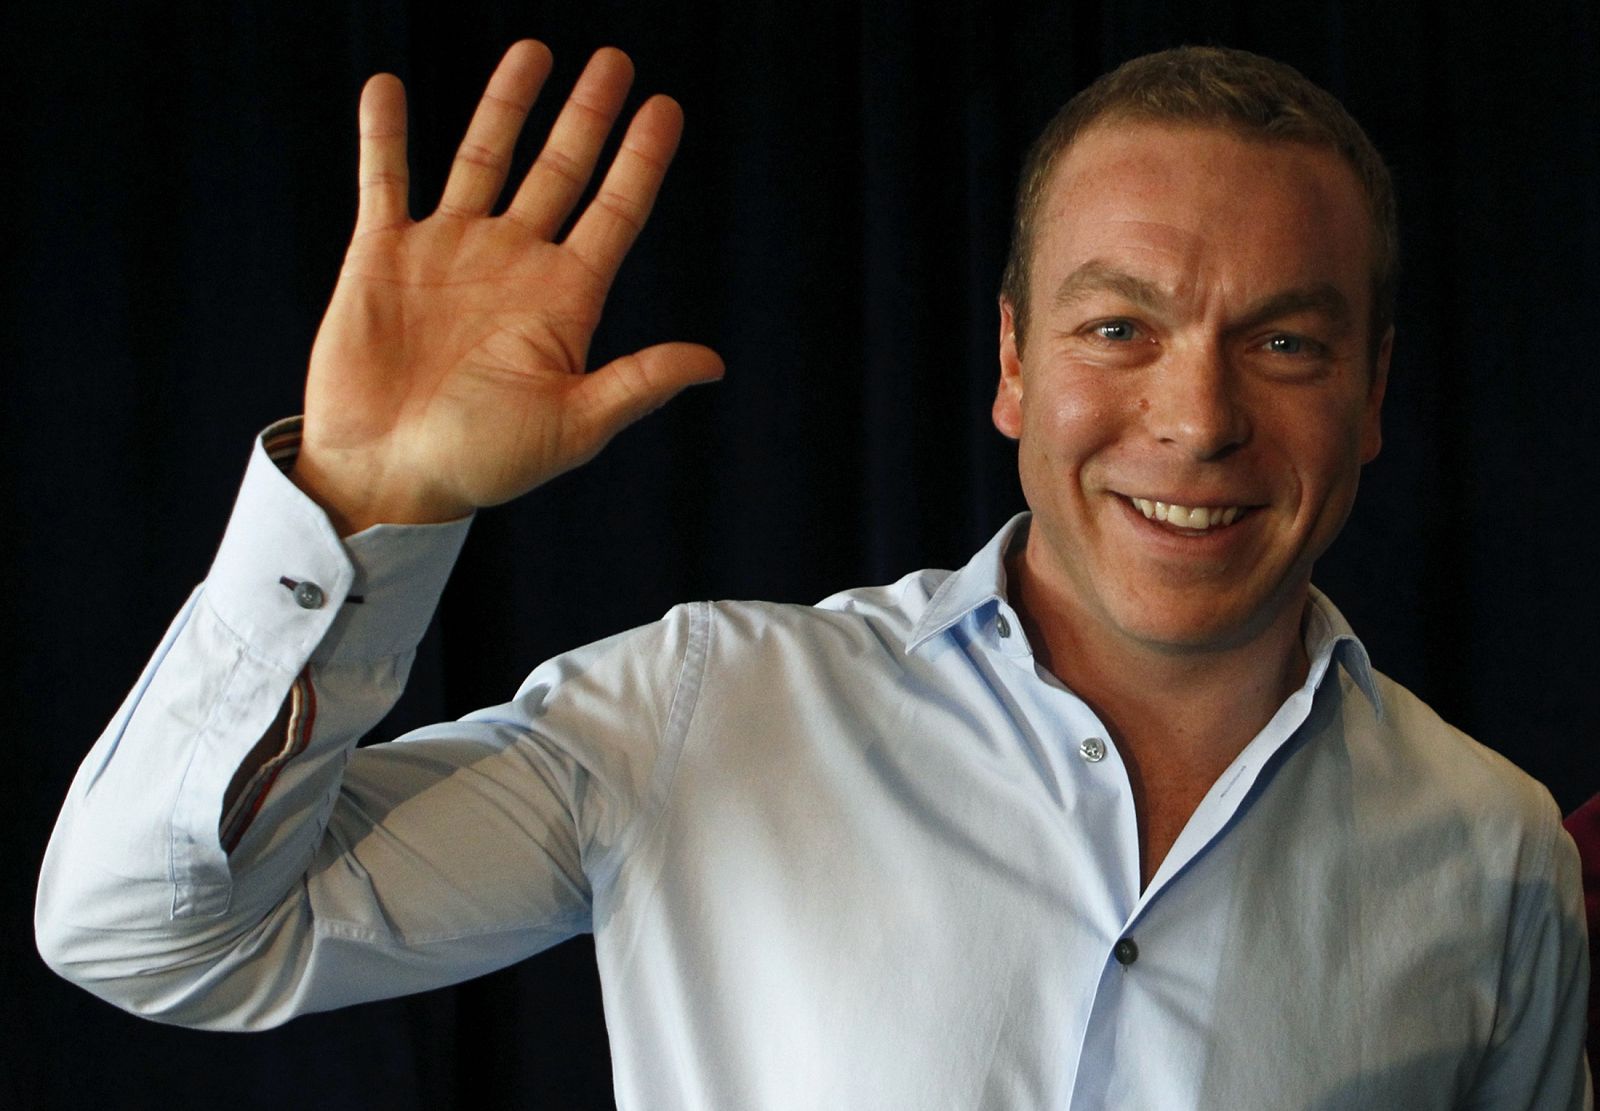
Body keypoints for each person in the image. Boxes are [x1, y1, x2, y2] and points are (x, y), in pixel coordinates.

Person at [35, 39, 1591, 1108]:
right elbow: (148, 935)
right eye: (1117, 328)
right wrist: (363, 508)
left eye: (1287, 342)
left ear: (1377, 393)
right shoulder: (702, 710)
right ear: (1010, 365)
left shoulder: (1500, 852)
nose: (1195, 418)